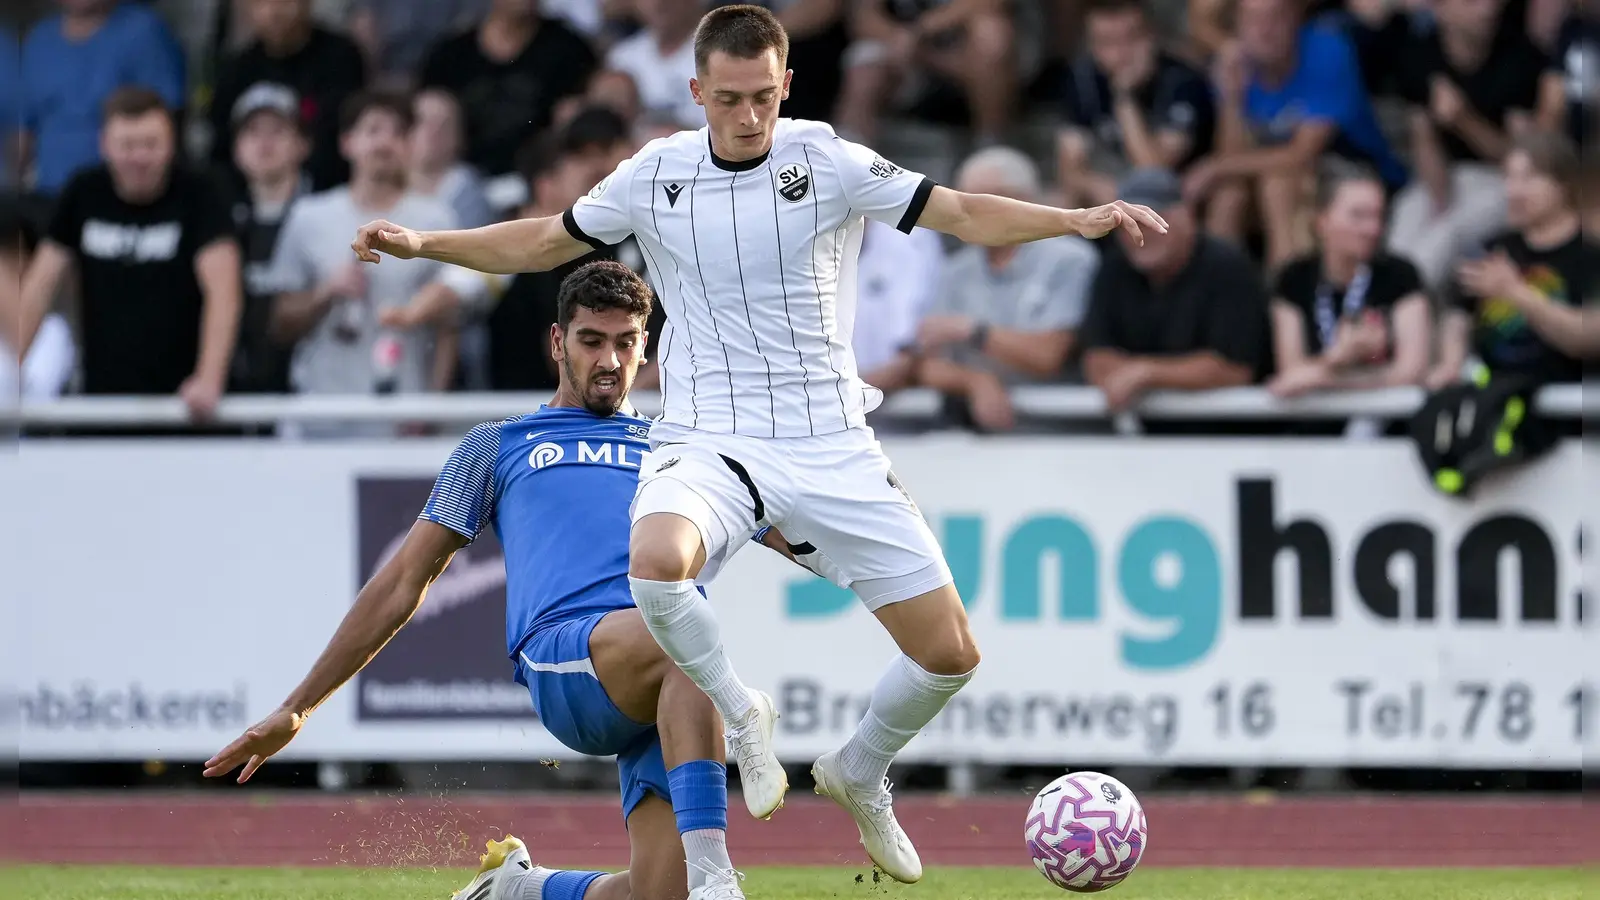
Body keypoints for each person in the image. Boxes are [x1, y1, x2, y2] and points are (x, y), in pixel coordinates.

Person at [347, 4, 1164, 883]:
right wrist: (428, 242)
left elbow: (960, 211)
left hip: (830, 443)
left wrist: (1073, 219)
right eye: (730, 99)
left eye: (764, 98)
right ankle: (740, 714)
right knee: (656, 562)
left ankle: (859, 770)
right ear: (696, 91)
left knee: (949, 654)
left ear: (786, 88)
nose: (748, 117)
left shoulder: (831, 160)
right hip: (707, 439)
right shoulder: (653, 173)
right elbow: (546, 240)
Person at [203, 261, 832, 900]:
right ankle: (717, 883)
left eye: (625, 342)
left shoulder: (685, 449)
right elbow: (400, 584)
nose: (610, 360)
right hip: (568, 658)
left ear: (647, 348)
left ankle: (522, 889)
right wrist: (298, 706)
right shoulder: (498, 445)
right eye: (592, 341)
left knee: (654, 894)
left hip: (670, 682)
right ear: (559, 343)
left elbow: (807, 539)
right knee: (683, 633)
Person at [17, 87, 240, 420]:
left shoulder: (200, 192)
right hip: (101, 399)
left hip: (184, 404)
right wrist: (9, 368)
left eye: (151, 144)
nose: (139, 157)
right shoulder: (84, 191)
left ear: (171, 144)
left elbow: (223, 293)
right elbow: (39, 287)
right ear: (104, 145)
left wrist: (209, 378)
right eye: (127, 145)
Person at [913, 146, 1099, 432]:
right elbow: (925, 364)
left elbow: (1048, 356)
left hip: (1060, 428)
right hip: (976, 428)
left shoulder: (1069, 258)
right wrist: (975, 381)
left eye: (980, 203)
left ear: (1023, 201)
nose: (966, 213)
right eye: (962, 202)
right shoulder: (956, 269)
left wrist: (973, 331)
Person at [1387, 0, 1566, 290]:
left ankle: (1403, 307)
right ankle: (1398, 309)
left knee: (1446, 235)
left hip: (1502, 183)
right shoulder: (1419, 54)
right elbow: (1423, 137)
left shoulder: (1518, 56)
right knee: (1405, 222)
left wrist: (1463, 120)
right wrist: (1438, 201)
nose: (1487, 9)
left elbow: (1519, 158)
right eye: (1471, 2)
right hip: (1445, 175)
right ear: (1441, 9)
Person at [1079, 168, 1271, 417]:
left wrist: (1147, 372)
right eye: (1128, 223)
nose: (1139, 232)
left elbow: (1234, 369)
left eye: (1152, 220)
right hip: (1141, 433)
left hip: (1226, 434)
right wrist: (1138, 373)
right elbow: (1096, 358)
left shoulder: (1227, 268)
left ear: (1187, 217)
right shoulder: (1113, 268)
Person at [1430, 129, 1598, 388]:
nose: (1514, 191)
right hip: (1496, 401)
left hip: (1571, 412)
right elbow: (1457, 315)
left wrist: (1515, 291)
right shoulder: (1490, 249)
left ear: (1563, 184)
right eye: (1508, 177)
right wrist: (1451, 361)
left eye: (1529, 178)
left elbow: (1588, 340)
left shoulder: (1590, 254)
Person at [1269, 167, 1432, 400]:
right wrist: (1339, 356)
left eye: (1378, 216)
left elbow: (1411, 372)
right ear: (1321, 220)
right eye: (1358, 215)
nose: (1372, 229)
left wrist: (1326, 377)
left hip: (1385, 424)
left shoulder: (1400, 274)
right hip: (1312, 427)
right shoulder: (1294, 278)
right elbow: (1290, 373)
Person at [1057, 0, 1216, 209]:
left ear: (1150, 37)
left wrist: (1124, 97)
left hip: (1177, 197)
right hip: (1114, 189)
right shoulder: (1083, 80)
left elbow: (1153, 172)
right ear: (1093, 48)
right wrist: (1092, 185)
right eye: (1107, 43)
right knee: (1062, 201)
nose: (1121, 53)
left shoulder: (1182, 81)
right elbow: (1069, 168)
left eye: (1130, 39)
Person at [20, 0, 185, 196]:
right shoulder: (39, 40)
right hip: (49, 195)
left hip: (119, 200)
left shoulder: (143, 31)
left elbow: (164, 121)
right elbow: (22, 130)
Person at [208, 0, 367, 192]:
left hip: (329, 190)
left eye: (284, 3)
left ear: (307, 5)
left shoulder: (341, 58)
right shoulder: (236, 70)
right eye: (262, 4)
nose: (274, 12)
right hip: (249, 197)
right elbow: (221, 146)